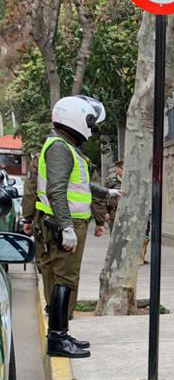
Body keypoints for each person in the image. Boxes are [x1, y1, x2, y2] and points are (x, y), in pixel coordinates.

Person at [32, 95, 121, 358]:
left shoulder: (66, 147)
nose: (91, 129)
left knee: (65, 280)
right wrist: (66, 227)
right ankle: (58, 340)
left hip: (66, 224)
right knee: (64, 280)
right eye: (90, 122)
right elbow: (57, 190)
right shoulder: (60, 148)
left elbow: (78, 186)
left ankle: (62, 333)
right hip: (64, 227)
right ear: (75, 119)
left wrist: (106, 192)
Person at [104, 160, 123, 231]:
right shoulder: (110, 181)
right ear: (117, 169)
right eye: (121, 168)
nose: (123, 170)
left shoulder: (131, 179)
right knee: (115, 236)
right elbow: (103, 197)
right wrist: (106, 212)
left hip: (128, 214)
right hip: (113, 213)